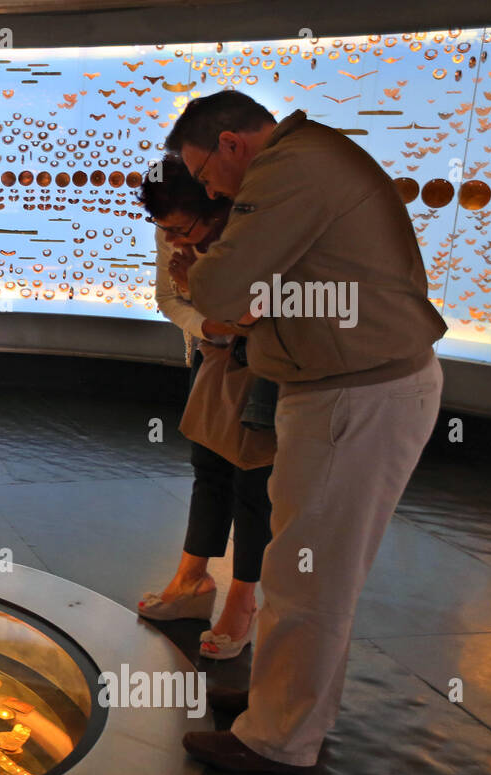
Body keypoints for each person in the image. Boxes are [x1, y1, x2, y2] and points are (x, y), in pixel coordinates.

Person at [167, 91, 446, 773]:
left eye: (206, 176)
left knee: (308, 577)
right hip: (346, 388)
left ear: (233, 145)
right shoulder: (309, 157)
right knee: (304, 567)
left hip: (356, 397)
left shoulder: (287, 169)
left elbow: (224, 290)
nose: (210, 192)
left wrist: (198, 271)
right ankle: (277, 707)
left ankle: (280, 743)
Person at [137, 155, 274, 660]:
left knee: (254, 481)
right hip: (210, 355)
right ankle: (192, 582)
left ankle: (243, 601)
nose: (171, 240)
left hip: (265, 369)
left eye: (178, 228)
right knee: (208, 468)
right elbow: (171, 299)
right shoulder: (175, 228)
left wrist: (206, 291)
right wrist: (209, 327)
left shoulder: (258, 227)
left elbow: (265, 310)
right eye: (162, 228)